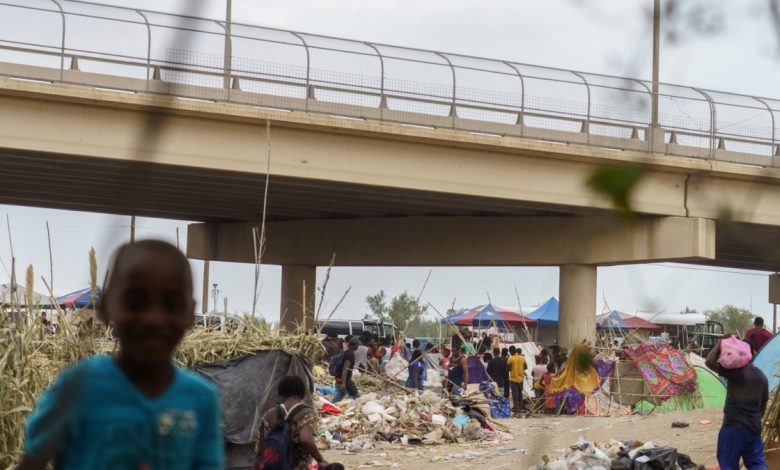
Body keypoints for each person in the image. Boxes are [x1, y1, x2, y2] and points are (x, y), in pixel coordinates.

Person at [17, 240, 224, 469]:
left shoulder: (201, 399)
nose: (153, 318)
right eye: (135, 302)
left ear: (189, 314)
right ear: (106, 309)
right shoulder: (78, 387)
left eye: (172, 304)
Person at [706, 336, 769, 470]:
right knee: (757, 465)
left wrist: (721, 343)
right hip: (754, 429)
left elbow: (709, 361)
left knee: (728, 465)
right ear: (752, 354)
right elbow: (762, 408)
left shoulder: (736, 372)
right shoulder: (762, 377)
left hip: (733, 428)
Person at [257, 376, 331, 470]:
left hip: (274, 464)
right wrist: (320, 459)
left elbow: (263, 443)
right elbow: (305, 439)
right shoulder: (306, 412)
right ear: (301, 393)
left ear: (281, 393)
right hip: (298, 465)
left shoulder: (270, 413)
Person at [507, 345, 528, 416]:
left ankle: (516, 411)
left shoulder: (510, 358)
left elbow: (508, 369)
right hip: (521, 378)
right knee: (520, 394)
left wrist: (513, 368)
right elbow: (525, 367)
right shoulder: (522, 357)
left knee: (515, 395)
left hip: (513, 378)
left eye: (510, 351)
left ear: (511, 351)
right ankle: (520, 410)